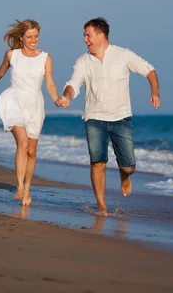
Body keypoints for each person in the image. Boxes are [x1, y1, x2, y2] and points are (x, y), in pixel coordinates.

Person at [55, 17, 160, 215]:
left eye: (88, 35)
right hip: (94, 118)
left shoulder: (123, 54)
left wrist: (155, 92)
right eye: (84, 35)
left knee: (129, 166)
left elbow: (149, 70)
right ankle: (101, 206)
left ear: (101, 35)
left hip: (121, 118)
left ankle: (124, 176)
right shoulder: (83, 61)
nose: (85, 39)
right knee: (98, 162)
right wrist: (66, 96)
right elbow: (73, 84)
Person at [0, 19, 59, 206]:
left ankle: (28, 188)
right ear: (21, 38)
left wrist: (56, 98)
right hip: (14, 100)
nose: (33, 40)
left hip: (35, 104)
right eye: (29, 37)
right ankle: (19, 187)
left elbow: (49, 82)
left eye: (36, 36)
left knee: (31, 151)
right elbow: (0, 72)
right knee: (22, 143)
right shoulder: (12, 55)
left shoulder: (45, 58)